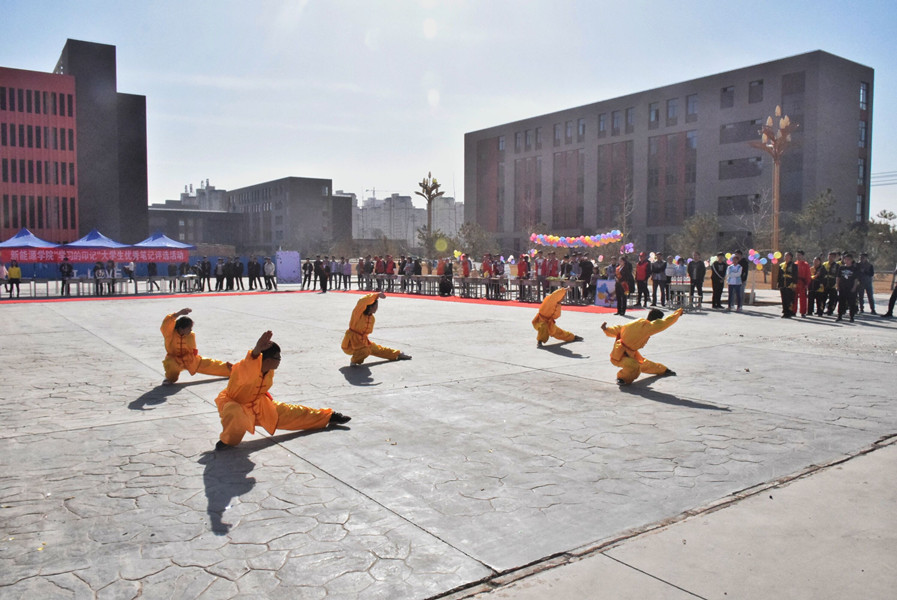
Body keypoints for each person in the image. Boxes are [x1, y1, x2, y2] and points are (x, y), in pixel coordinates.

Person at [214, 330, 350, 450]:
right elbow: (247, 366)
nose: (279, 360)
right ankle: (227, 441)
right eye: (277, 357)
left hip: (259, 406)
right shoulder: (244, 370)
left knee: (293, 413)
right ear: (267, 360)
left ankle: (328, 417)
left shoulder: (269, 370)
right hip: (236, 406)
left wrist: (328, 417)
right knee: (235, 413)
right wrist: (256, 351)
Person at [601, 308, 683, 386]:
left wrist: (606, 329)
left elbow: (621, 329)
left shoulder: (637, 322)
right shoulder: (649, 327)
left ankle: (664, 370)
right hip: (618, 356)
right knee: (634, 366)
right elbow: (666, 322)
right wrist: (678, 313)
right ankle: (622, 378)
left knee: (643, 364)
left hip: (629, 353)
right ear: (657, 320)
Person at [160, 308, 232, 385]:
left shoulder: (191, 335)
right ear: (181, 328)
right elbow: (166, 324)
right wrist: (178, 313)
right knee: (172, 366)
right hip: (174, 359)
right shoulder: (169, 334)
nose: (191, 330)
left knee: (209, 364)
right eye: (189, 328)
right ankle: (169, 378)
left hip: (190, 359)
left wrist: (193, 358)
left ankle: (233, 370)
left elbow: (193, 350)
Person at [341, 292, 412, 365]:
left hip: (362, 342)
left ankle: (398, 354)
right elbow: (362, 301)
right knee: (366, 351)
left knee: (377, 349)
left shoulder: (372, 318)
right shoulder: (358, 314)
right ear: (370, 306)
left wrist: (398, 354)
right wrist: (377, 295)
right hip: (350, 344)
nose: (377, 308)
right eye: (376, 306)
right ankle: (354, 361)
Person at [836, 253, 859, 322]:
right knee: (841, 302)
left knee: (851, 303)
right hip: (842, 288)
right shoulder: (841, 268)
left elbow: (856, 279)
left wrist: (854, 287)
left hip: (851, 288)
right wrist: (837, 286)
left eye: (848, 259)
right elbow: (838, 277)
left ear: (852, 260)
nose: (847, 261)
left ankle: (851, 317)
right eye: (845, 259)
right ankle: (839, 316)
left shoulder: (854, 269)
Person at [777, 252, 798, 318]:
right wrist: (779, 283)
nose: (786, 257)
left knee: (790, 299)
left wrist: (794, 284)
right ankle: (785, 311)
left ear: (791, 257)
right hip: (783, 283)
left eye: (787, 256)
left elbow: (795, 275)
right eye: (785, 256)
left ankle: (789, 312)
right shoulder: (781, 265)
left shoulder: (794, 265)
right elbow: (779, 275)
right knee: (784, 298)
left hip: (790, 284)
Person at [794, 250, 810, 317]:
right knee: (794, 297)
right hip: (795, 283)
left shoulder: (806, 265)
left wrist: (807, 284)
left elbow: (808, 275)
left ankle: (803, 312)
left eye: (799, 255)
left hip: (802, 283)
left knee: (803, 298)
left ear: (802, 256)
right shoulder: (794, 264)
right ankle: (793, 311)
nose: (798, 256)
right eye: (797, 255)